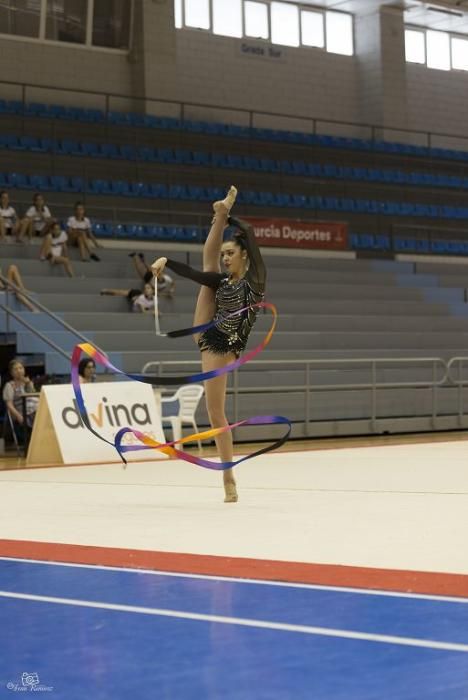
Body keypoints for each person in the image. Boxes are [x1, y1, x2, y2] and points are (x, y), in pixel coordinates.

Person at [151, 186, 266, 503]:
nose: (226, 257)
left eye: (231, 252)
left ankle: (228, 476)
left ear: (242, 254)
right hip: (207, 334)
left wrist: (233, 217)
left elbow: (251, 233)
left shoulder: (254, 280)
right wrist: (167, 262)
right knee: (207, 269)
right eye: (224, 253)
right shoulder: (222, 281)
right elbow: (196, 274)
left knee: (216, 413)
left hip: (222, 345)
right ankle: (219, 214)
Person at [2, 359, 38, 444]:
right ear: (11, 373)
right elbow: (9, 405)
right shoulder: (9, 385)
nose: (19, 371)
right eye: (16, 369)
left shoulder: (28, 382)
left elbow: (34, 396)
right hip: (24, 412)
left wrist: (29, 383)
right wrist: (18, 416)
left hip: (36, 408)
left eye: (21, 368)